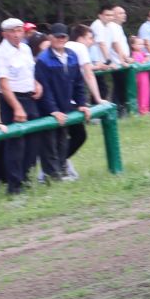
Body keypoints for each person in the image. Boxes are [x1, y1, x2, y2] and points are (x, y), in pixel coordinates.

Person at [33, 24, 90, 182]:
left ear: (67, 38)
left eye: (63, 36)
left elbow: (78, 82)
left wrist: (81, 103)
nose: (60, 39)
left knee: (65, 139)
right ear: (50, 37)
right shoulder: (43, 60)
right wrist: (53, 110)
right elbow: (44, 88)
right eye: (56, 36)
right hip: (49, 110)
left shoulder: (72, 55)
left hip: (66, 106)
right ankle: (51, 176)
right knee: (50, 143)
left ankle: (57, 170)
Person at [0, 18, 41, 197]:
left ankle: (26, 177)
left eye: (20, 30)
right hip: (11, 99)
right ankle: (14, 185)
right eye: (13, 31)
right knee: (16, 143)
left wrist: (36, 84)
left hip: (28, 96)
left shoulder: (26, 48)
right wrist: (17, 107)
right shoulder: (0, 53)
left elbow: (29, 71)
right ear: (4, 33)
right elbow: (4, 84)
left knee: (33, 140)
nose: (17, 34)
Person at [130, 34, 150, 113]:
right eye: (139, 44)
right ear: (133, 45)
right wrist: (145, 60)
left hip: (146, 76)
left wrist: (147, 57)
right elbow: (141, 63)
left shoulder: (142, 53)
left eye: (142, 44)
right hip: (140, 77)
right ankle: (142, 110)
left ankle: (146, 109)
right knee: (142, 92)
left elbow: (148, 56)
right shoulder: (134, 54)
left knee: (147, 91)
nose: (142, 46)